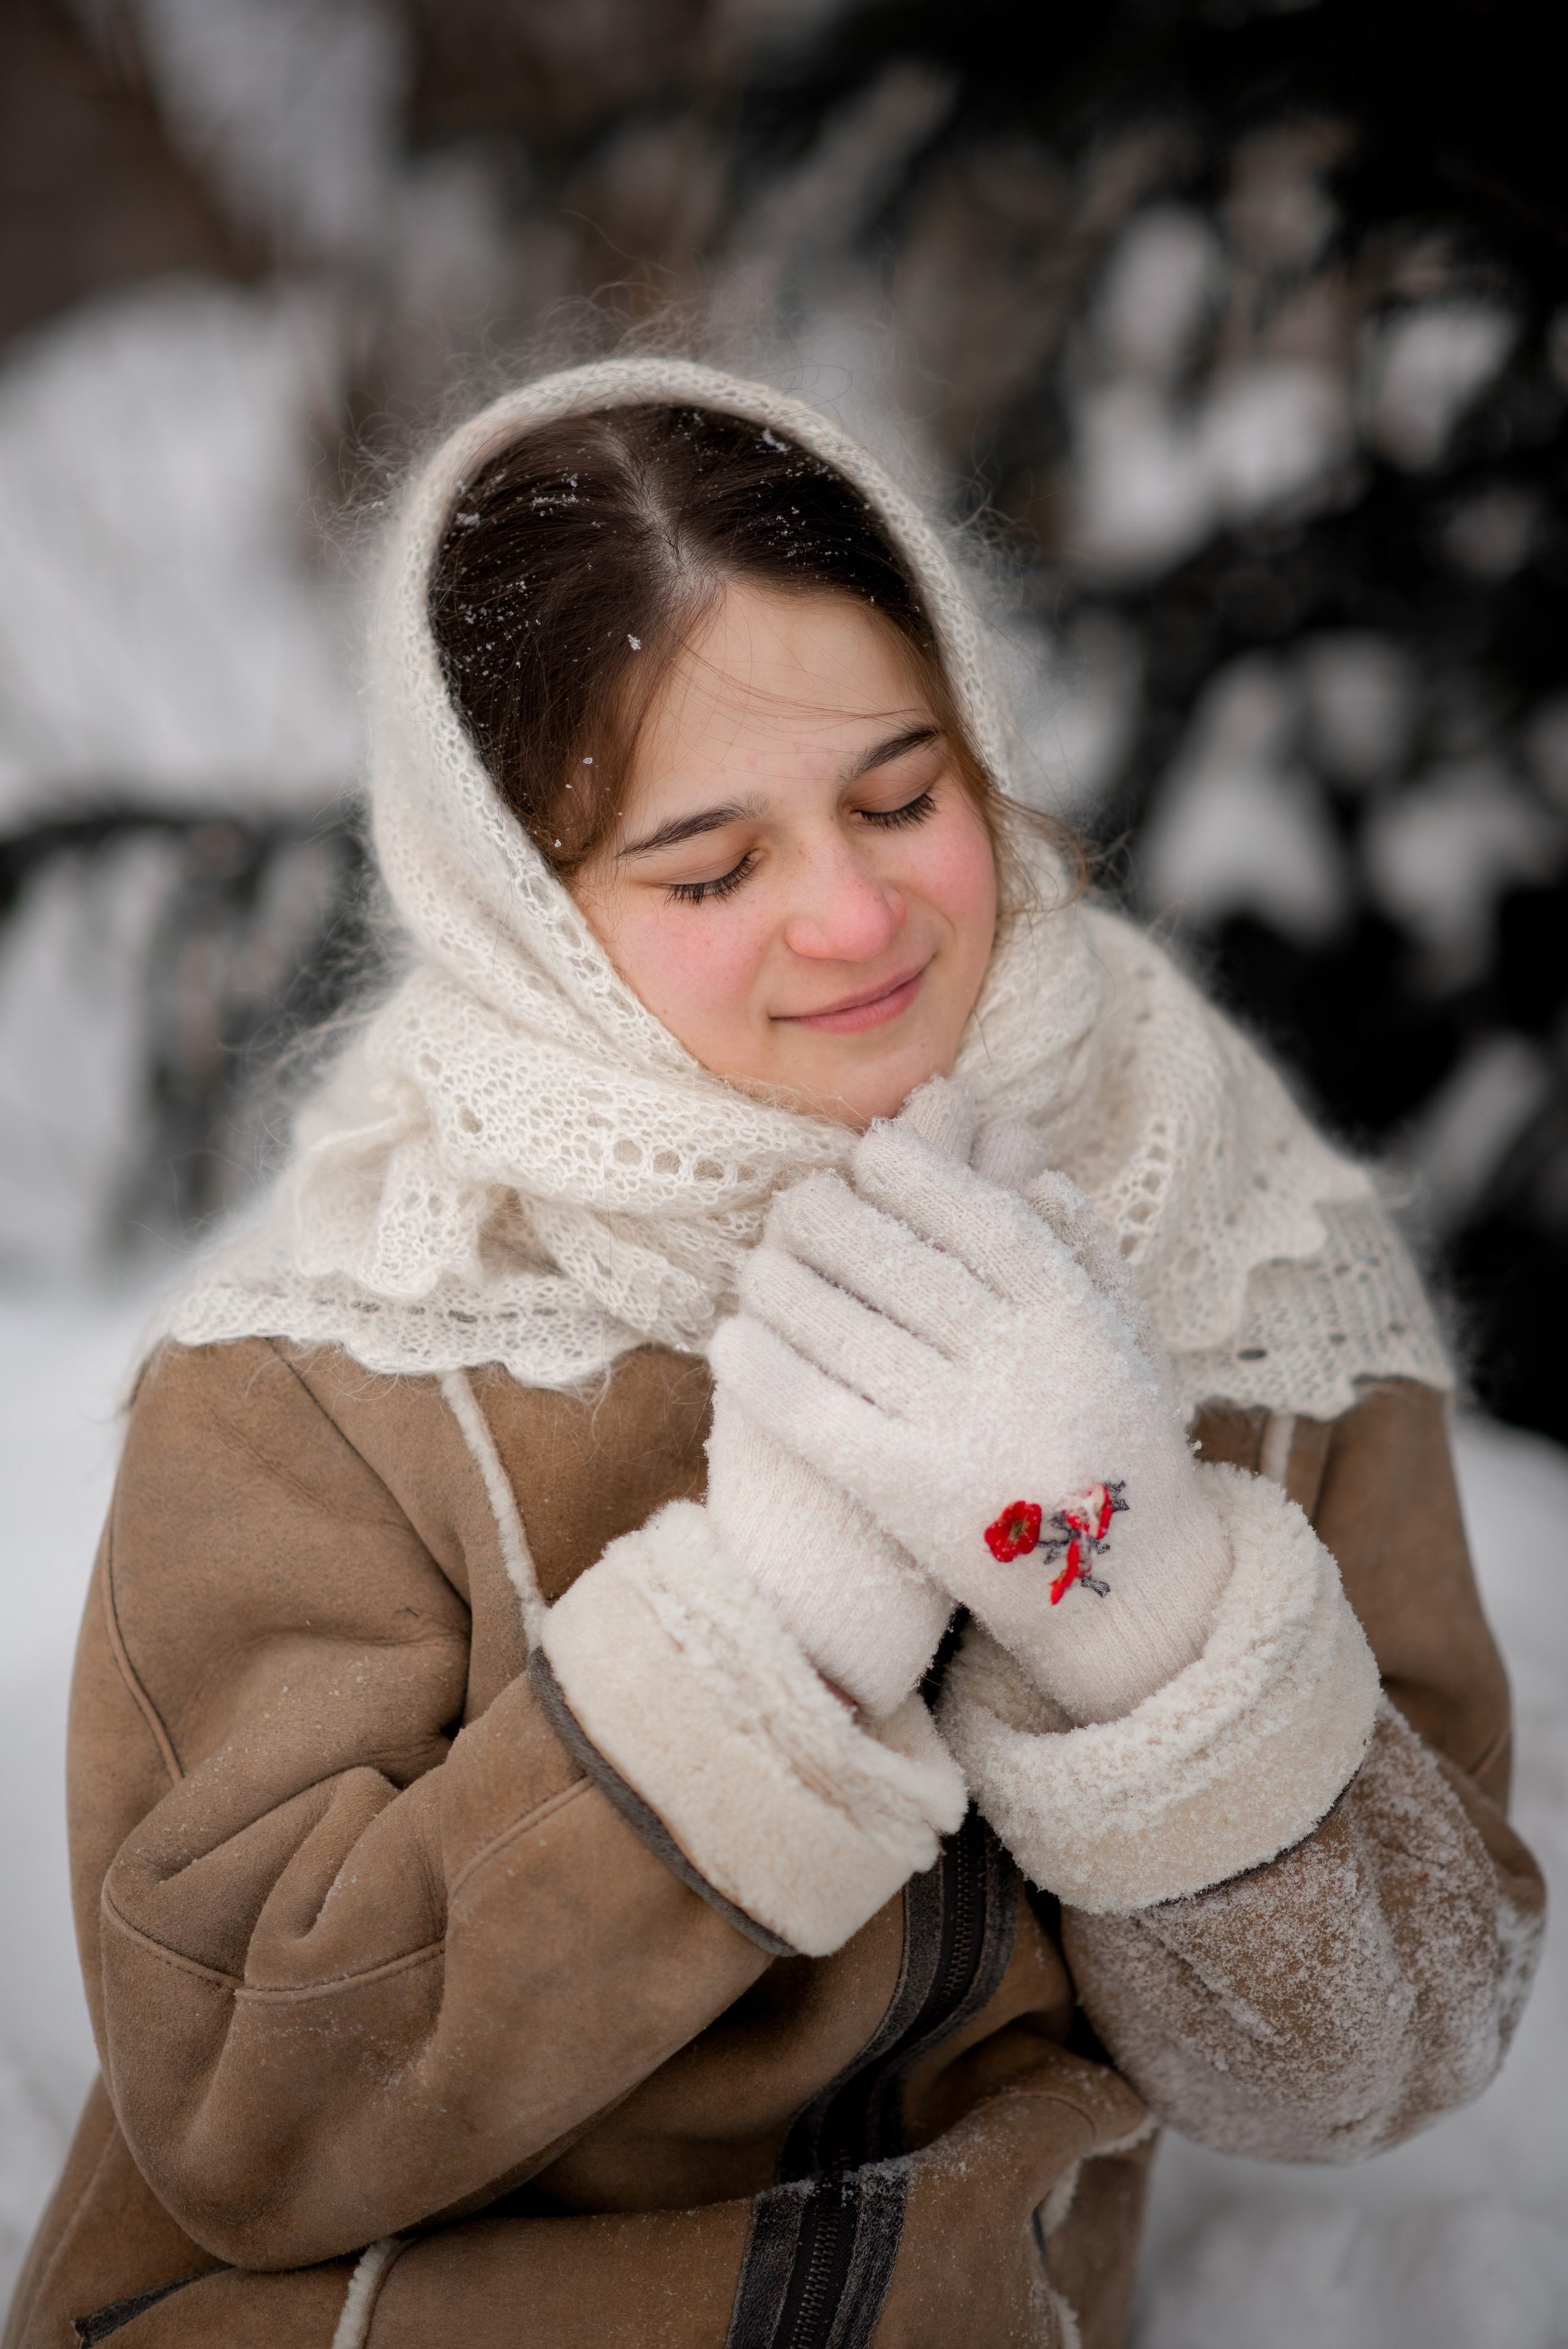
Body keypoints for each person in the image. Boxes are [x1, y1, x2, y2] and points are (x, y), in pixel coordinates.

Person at [4, 359, 1544, 2349]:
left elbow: (1400, 2044)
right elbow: (241, 2114)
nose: (853, 915)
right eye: (713, 868)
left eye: (906, 795)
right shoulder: (339, 1358)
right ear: (519, 911)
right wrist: (764, 1643)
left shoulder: (1237, 1252)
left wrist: (1127, 1591)